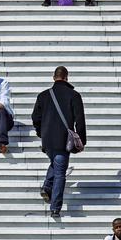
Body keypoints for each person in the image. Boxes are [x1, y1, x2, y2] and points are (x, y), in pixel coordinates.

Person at [31, 66, 87, 217]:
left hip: (48, 140)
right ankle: (55, 207)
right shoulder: (74, 95)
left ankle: (47, 186)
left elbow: (35, 118)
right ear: (67, 77)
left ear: (53, 77)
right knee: (60, 172)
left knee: (56, 163)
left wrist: (41, 133)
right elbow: (80, 120)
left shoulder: (43, 95)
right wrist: (81, 139)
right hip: (63, 140)